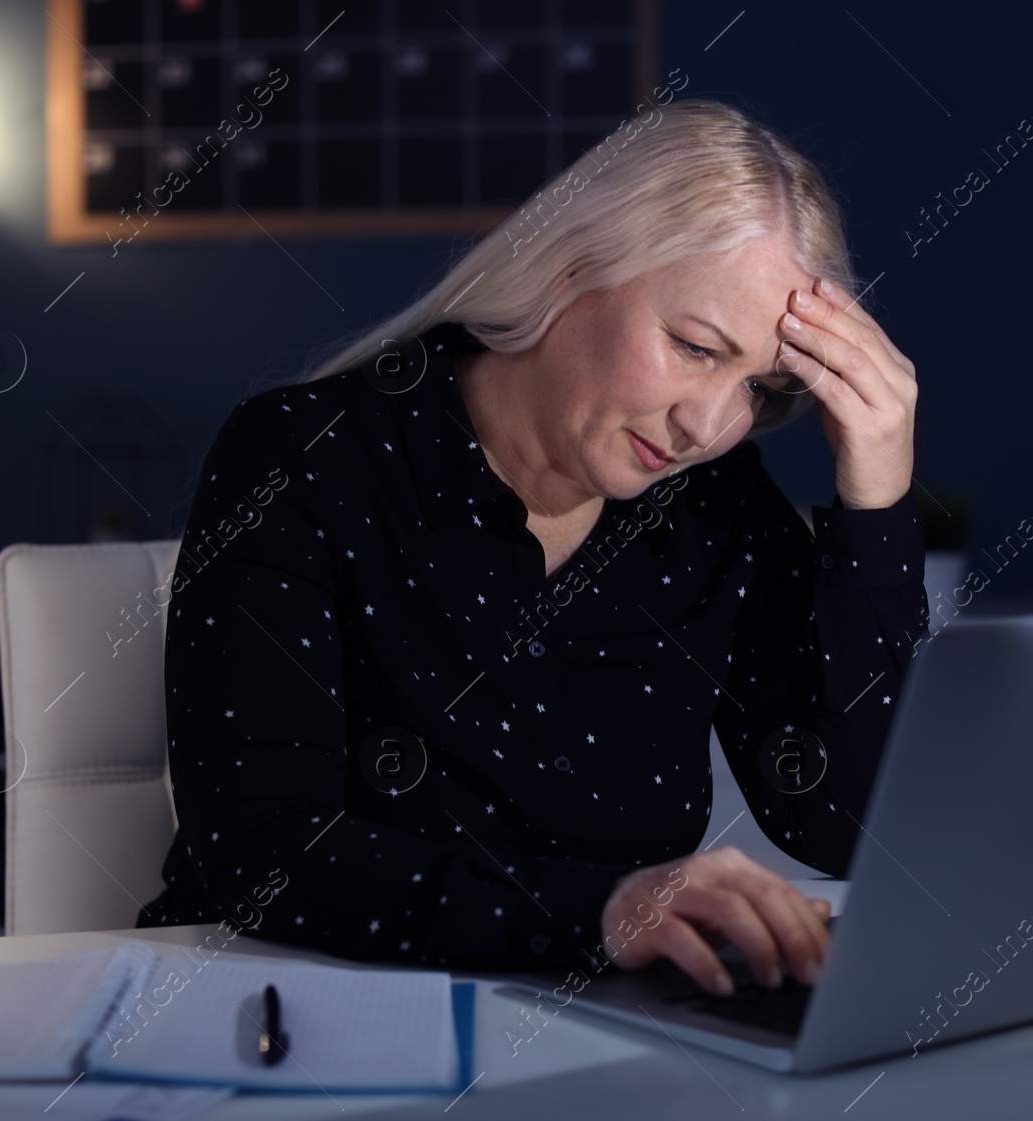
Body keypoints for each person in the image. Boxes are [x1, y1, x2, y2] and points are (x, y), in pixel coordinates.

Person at [137, 99, 929, 999]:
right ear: (572, 268)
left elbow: (842, 824)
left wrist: (877, 499)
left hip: (579, 1029)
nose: (709, 425)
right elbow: (265, 852)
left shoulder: (718, 509)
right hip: (287, 1012)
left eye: (760, 384)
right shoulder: (304, 457)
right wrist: (605, 914)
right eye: (693, 346)